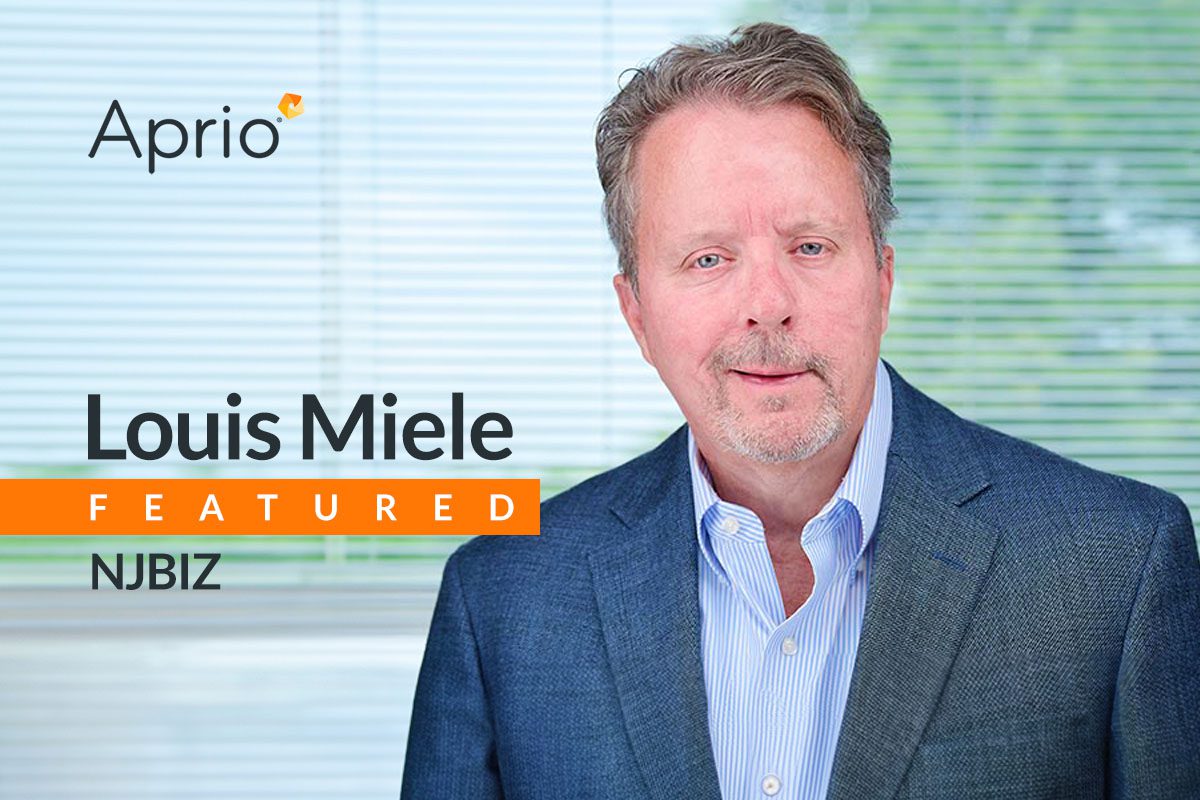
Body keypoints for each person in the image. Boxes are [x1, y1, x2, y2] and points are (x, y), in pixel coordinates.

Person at [400, 22, 1200, 800]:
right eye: (707, 258)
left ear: (882, 282)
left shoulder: (1115, 568)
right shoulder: (503, 598)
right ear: (637, 314)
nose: (768, 305)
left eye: (811, 247)